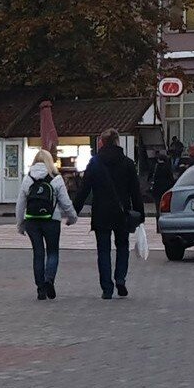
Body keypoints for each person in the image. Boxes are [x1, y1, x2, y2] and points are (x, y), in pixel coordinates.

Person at [74, 129, 145, 300]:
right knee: (122, 246)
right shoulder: (128, 163)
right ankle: (120, 278)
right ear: (117, 141)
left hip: (101, 213)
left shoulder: (95, 163)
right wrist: (140, 214)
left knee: (103, 250)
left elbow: (84, 190)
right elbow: (135, 192)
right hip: (122, 214)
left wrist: (73, 211)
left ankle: (107, 288)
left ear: (103, 143)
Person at [16, 149, 79, 300]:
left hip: (32, 221)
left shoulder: (28, 179)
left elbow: (20, 204)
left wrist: (20, 224)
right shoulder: (56, 179)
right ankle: (49, 278)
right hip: (51, 220)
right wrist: (72, 217)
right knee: (52, 252)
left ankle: (40, 289)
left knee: (38, 254)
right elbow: (65, 202)